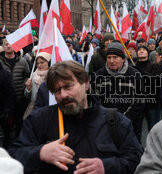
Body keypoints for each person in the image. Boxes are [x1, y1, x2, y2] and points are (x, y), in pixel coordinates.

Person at [9, 60, 143, 174]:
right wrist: (40, 153)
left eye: (68, 86)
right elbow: (13, 158)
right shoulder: (39, 120)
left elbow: (137, 161)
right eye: (57, 91)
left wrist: (106, 167)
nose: (63, 95)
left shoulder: (115, 121)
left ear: (85, 83)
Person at [91, 41, 145, 141]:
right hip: (105, 126)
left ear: (123, 59)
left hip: (129, 125)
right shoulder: (99, 75)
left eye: (115, 57)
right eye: (109, 57)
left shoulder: (135, 74)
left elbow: (139, 101)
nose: (111, 61)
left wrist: (123, 119)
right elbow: (95, 100)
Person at [0, 39, 30, 138]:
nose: (9, 46)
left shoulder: (22, 61)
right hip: (5, 101)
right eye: (6, 44)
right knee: (6, 125)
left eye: (11, 44)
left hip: (19, 98)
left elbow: (27, 74)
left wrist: (25, 83)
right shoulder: (0, 61)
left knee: (19, 123)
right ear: (3, 47)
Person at [135, 46, 162, 130]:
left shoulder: (154, 66)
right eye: (139, 49)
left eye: (144, 49)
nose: (141, 51)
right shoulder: (133, 66)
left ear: (148, 54)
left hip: (152, 102)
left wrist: (140, 71)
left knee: (153, 128)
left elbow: (155, 80)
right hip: (138, 102)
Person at [0, 63, 15, 148]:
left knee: (6, 134)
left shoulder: (5, 74)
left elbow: (11, 93)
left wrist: (8, 109)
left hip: (4, 110)